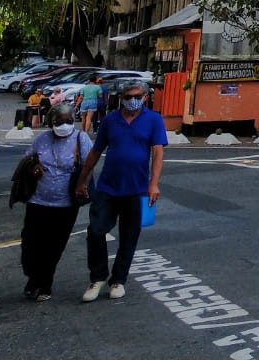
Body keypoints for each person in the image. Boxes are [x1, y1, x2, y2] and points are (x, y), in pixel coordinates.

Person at [73, 80, 166, 302]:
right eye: (127, 96)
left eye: (136, 95)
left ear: (144, 97)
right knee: (95, 231)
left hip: (136, 189)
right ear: (121, 97)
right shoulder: (110, 120)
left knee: (129, 236)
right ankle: (98, 277)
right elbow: (96, 151)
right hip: (108, 186)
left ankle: (118, 280)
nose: (131, 100)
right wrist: (82, 179)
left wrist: (154, 183)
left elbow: (158, 153)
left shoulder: (153, 120)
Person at [18, 104, 94, 302]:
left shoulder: (80, 138)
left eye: (69, 120)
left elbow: (89, 164)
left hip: (65, 204)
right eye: (60, 121)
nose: (65, 124)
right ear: (51, 122)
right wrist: (34, 167)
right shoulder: (42, 139)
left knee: (53, 246)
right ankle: (33, 275)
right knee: (29, 243)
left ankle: (44, 284)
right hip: (38, 201)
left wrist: (82, 183)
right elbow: (28, 159)